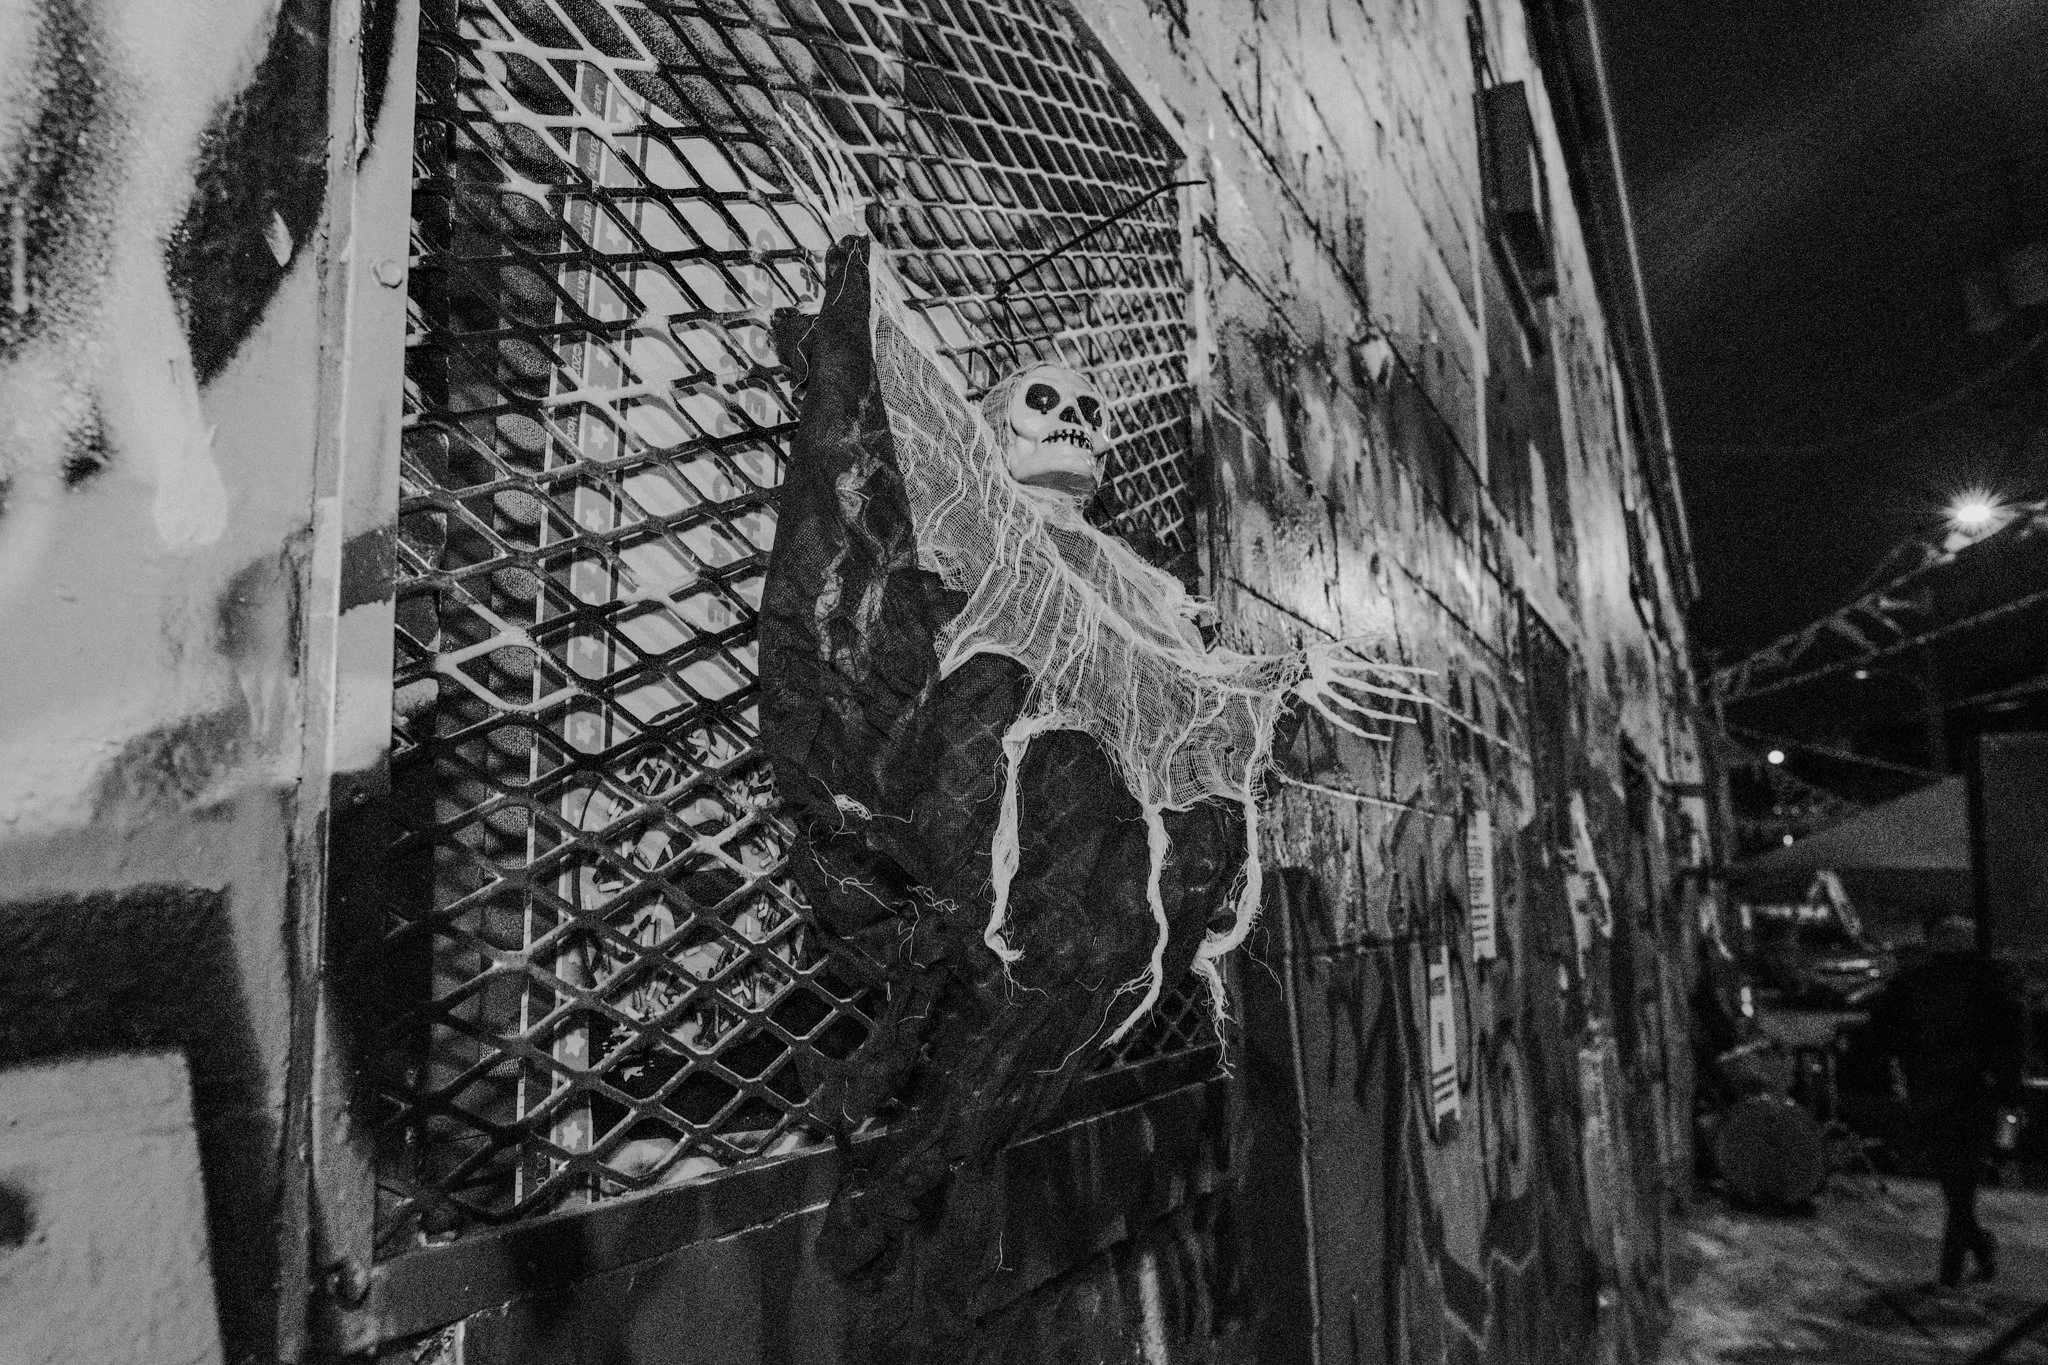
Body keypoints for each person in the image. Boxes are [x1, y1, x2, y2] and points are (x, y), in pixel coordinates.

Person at [1858, 915, 2025, 1286]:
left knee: (1954, 1181)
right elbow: (2008, 1045)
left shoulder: (1913, 985)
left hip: (1931, 1093)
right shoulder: (1991, 984)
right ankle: (1976, 1250)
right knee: (1961, 1183)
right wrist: (2012, 1095)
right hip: (1974, 1093)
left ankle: (1955, 1268)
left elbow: (1881, 1035)